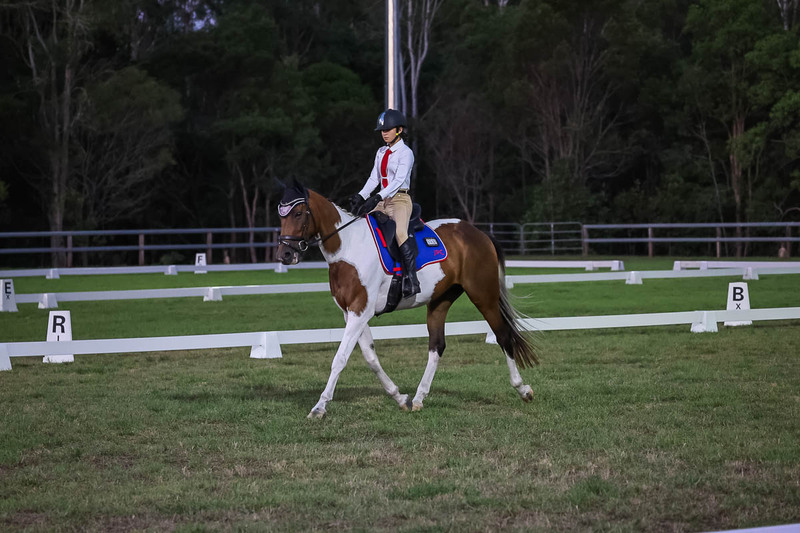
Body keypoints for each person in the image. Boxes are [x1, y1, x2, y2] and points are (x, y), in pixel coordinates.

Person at [349, 108, 419, 296]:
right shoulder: (381, 152)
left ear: (399, 130)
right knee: (362, 227)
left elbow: (398, 180)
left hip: (400, 199)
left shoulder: (406, 153)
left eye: (388, 129)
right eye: (382, 130)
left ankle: (411, 279)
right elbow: (374, 178)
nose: (384, 133)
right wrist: (361, 196)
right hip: (382, 199)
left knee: (400, 232)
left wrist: (377, 197)